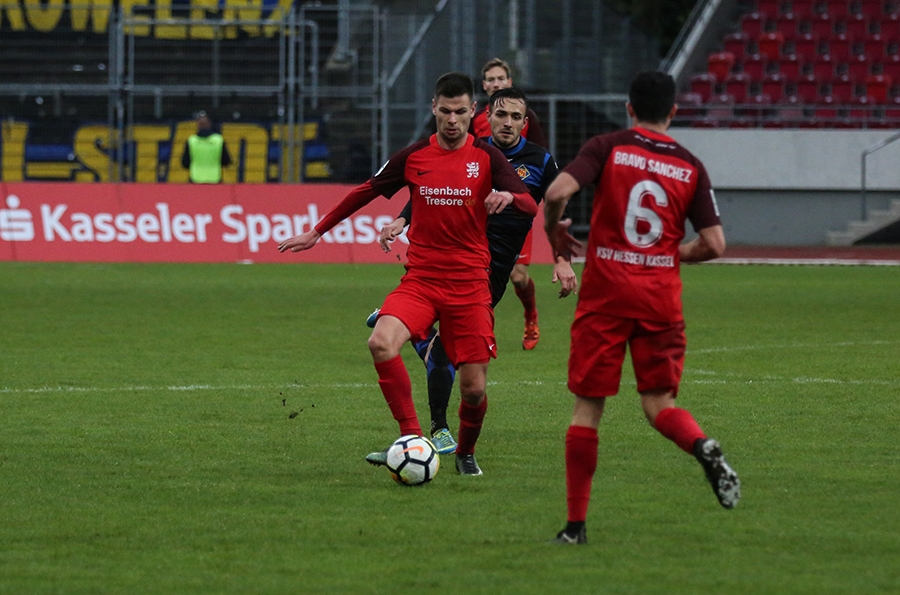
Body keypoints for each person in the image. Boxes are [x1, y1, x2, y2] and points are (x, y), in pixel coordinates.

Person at [278, 72, 536, 476]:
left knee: (473, 390)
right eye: (445, 111)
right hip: (421, 280)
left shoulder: (488, 158)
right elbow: (365, 190)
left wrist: (511, 197)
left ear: (472, 112)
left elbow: (530, 206)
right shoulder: (414, 156)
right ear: (434, 108)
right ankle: (412, 437)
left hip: (470, 285)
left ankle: (466, 452)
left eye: (460, 112)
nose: (452, 120)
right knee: (381, 343)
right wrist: (317, 231)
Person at [542, 71, 741, 545]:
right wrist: (676, 253)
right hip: (659, 299)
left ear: (628, 108)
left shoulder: (608, 145)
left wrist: (555, 232)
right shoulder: (691, 165)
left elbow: (555, 193)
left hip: (607, 295)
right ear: (672, 113)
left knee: (588, 408)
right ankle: (701, 444)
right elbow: (715, 244)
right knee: (658, 404)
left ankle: (575, 528)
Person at [373, 86, 562, 455]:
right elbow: (431, 186)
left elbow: (554, 211)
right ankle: (439, 427)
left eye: (515, 117)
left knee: (460, 365)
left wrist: (563, 258)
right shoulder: (467, 149)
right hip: (457, 261)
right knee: (445, 350)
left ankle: (410, 326)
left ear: (525, 123)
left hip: (495, 268)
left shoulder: (541, 161)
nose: (507, 123)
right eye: (500, 115)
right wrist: (402, 218)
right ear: (487, 117)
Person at [471, 58, 548, 150]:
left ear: (509, 82)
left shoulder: (527, 115)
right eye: (491, 79)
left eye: (501, 79)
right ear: (484, 85)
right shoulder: (475, 119)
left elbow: (539, 151)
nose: (496, 84)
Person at [181, 112, 232, 183]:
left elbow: (185, 163)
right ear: (209, 124)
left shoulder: (191, 141)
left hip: (195, 180)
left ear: (197, 125)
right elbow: (227, 162)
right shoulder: (219, 140)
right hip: (214, 179)